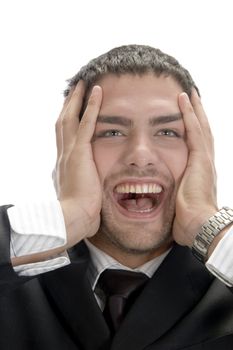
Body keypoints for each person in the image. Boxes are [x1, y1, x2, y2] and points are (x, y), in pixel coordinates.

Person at [0, 44, 233, 349]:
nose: (140, 156)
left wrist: (210, 227)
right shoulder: (15, 276)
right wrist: (70, 215)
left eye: (167, 132)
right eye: (111, 132)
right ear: (70, 150)